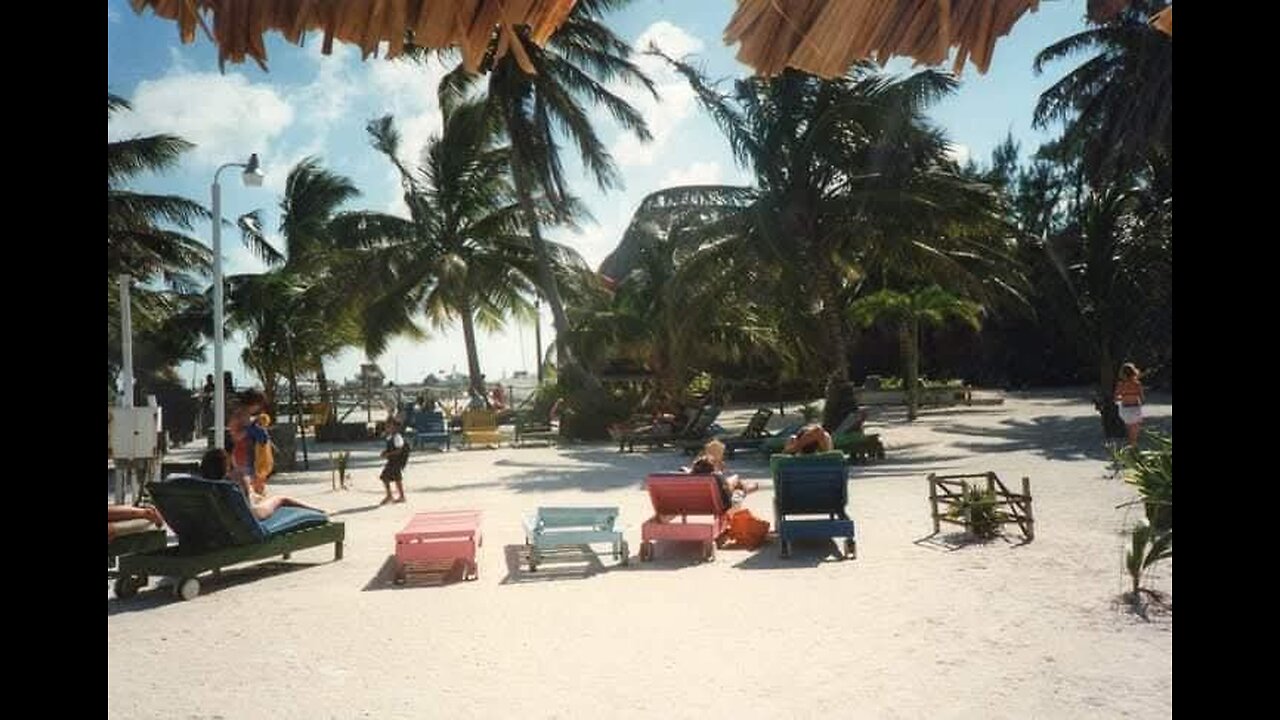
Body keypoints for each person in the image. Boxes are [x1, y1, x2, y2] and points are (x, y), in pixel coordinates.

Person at [199, 448, 325, 520]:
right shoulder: (231, 485)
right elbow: (247, 503)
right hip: (252, 515)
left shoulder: (202, 486)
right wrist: (246, 484)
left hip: (220, 520)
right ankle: (318, 511)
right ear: (226, 467)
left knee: (260, 497)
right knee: (281, 499)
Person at [379, 416, 411, 505]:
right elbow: (391, 448)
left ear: (395, 427)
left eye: (389, 426)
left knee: (384, 477)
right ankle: (401, 496)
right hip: (393, 461)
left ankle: (389, 495)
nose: (387, 428)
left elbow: (399, 450)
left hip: (395, 461)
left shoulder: (397, 437)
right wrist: (386, 452)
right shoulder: (390, 437)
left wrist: (387, 454)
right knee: (397, 478)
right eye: (386, 426)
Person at [1114, 362, 1145, 448]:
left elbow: (1116, 398)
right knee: (1135, 430)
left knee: (1129, 429)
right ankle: (1133, 446)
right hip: (1135, 408)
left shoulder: (1120, 385)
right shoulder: (1137, 384)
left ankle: (1132, 446)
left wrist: (1124, 396)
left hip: (1125, 409)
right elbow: (1142, 398)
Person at [247, 412, 275, 496]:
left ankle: (259, 492)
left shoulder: (260, 431)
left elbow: (250, 429)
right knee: (259, 477)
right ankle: (259, 492)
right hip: (261, 460)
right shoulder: (261, 431)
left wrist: (254, 421)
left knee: (259, 477)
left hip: (260, 460)